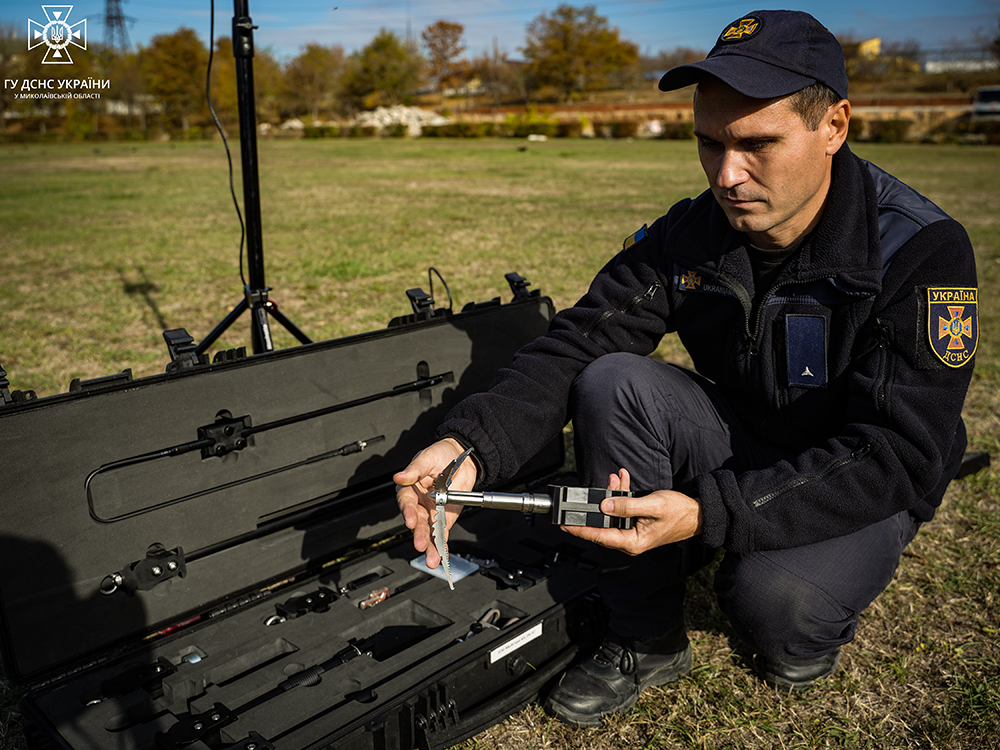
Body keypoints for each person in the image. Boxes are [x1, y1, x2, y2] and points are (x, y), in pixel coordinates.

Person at [394, 9, 978, 727]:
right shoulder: (690, 234)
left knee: (774, 608)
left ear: (835, 126)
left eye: (758, 144)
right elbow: (579, 339)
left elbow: (898, 453)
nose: (728, 175)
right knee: (612, 379)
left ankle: (800, 598)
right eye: (709, 143)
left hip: (856, 474)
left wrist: (710, 515)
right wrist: (470, 447)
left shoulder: (919, 249)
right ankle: (646, 636)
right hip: (747, 438)